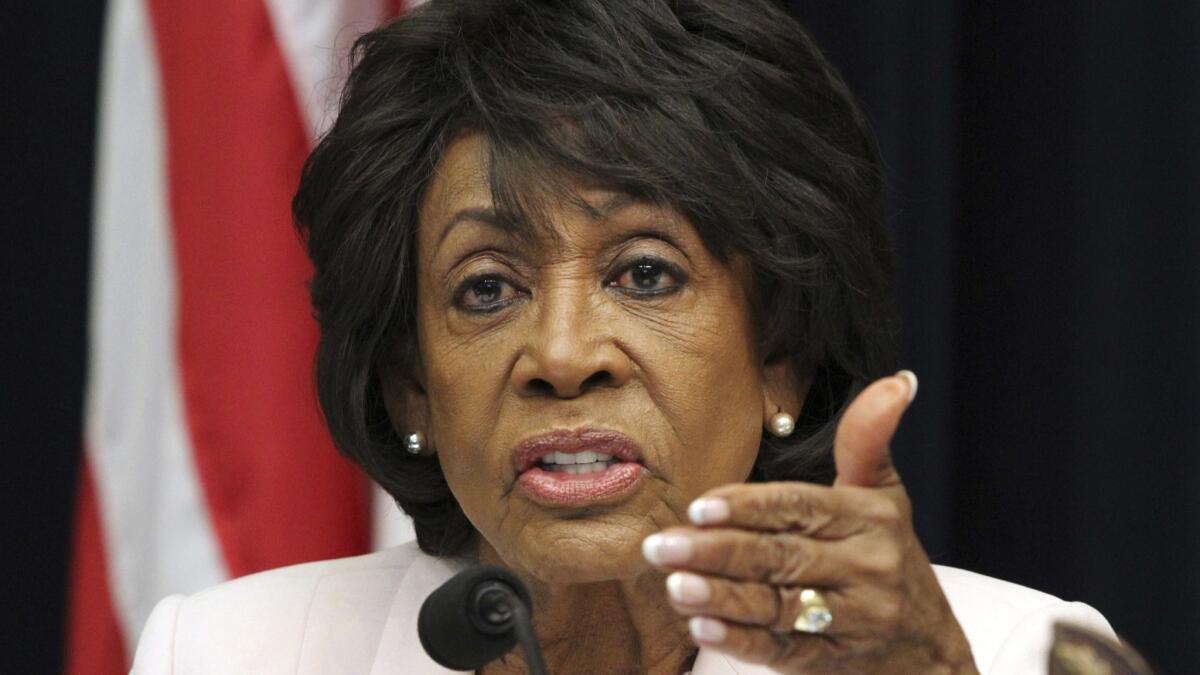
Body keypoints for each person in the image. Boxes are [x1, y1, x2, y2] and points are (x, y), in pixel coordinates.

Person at [131, 0, 1113, 672]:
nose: (563, 356)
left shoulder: (1019, 652)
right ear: (409, 389)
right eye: (486, 288)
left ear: (784, 356)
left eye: (644, 273)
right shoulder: (226, 654)